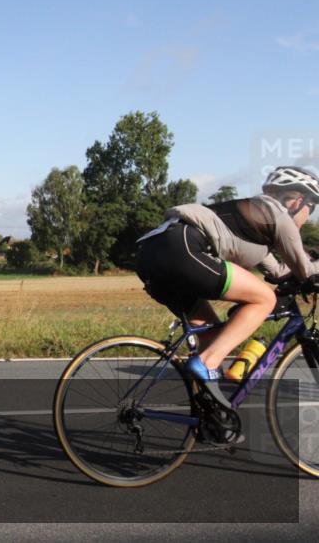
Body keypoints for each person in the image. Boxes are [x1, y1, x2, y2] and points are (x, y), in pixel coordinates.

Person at [135, 166, 319, 409]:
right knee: (264, 299)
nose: (310, 215)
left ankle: (209, 414)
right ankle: (207, 364)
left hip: (150, 253)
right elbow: (304, 270)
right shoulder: (278, 215)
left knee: (212, 337)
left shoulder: (255, 223)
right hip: (183, 247)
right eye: (312, 208)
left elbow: (278, 272)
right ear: (297, 201)